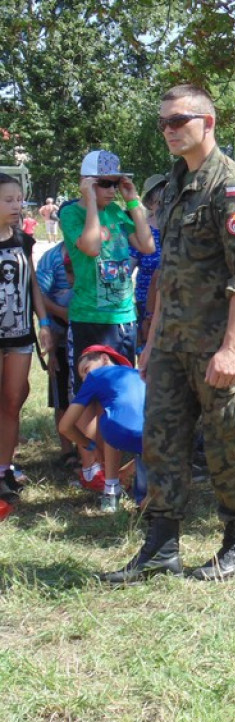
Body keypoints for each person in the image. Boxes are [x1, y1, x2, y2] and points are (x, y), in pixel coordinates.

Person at [99, 84, 235, 584]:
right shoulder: (174, 185)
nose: (170, 130)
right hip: (173, 343)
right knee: (162, 442)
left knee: (228, 446)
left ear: (208, 123)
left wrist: (231, 349)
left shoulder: (230, 186)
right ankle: (161, 547)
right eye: (164, 123)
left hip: (219, 347)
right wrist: (152, 343)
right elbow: (168, 268)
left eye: (180, 120)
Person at [59, 149, 155, 492]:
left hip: (123, 317)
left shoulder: (118, 210)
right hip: (90, 318)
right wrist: (89, 203)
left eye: (116, 182)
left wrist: (133, 202)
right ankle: (90, 466)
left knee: (117, 395)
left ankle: (112, 472)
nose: (111, 190)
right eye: (104, 184)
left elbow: (145, 246)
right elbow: (91, 247)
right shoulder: (71, 213)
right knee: (89, 396)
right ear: (86, 184)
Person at [0, 173, 53, 500]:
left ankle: (4, 470)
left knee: (12, 403)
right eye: (8, 200)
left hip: (20, 336)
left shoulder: (23, 240)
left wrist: (44, 322)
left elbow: (32, 284)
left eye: (19, 199)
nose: (17, 206)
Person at [59, 345, 146, 514]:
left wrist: (91, 446)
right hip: (156, 437)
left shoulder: (95, 376)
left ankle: (111, 490)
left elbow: (64, 426)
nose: (85, 379)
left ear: (105, 358)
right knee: (148, 501)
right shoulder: (138, 374)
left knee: (110, 412)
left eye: (86, 370)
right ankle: (146, 497)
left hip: (118, 432)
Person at [35, 242, 77, 467]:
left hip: (87, 332)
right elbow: (38, 295)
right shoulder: (51, 258)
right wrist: (62, 314)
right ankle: (67, 451)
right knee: (61, 395)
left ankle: (89, 448)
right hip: (59, 334)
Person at [130, 174, 167, 348]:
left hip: (173, 305)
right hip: (146, 307)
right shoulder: (142, 229)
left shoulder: (179, 227)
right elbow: (127, 268)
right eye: (158, 201)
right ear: (150, 202)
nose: (163, 206)